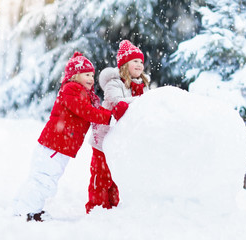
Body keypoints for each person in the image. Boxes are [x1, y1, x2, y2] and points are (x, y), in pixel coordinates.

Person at [13, 52, 129, 222]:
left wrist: (112, 112)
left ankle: (22, 206)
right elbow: (86, 111)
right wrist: (110, 117)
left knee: (40, 177)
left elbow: (95, 108)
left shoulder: (83, 93)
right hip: (55, 146)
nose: (91, 78)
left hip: (56, 146)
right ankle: (28, 212)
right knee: (44, 179)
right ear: (75, 75)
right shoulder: (71, 89)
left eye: (92, 74)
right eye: (86, 74)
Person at [85, 40, 150, 213]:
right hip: (104, 137)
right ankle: (96, 208)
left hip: (119, 139)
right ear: (124, 65)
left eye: (141, 61)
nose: (139, 64)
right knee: (101, 174)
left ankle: (112, 207)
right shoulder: (114, 84)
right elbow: (117, 103)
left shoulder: (140, 87)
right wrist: (142, 101)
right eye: (135, 61)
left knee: (115, 174)